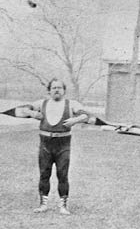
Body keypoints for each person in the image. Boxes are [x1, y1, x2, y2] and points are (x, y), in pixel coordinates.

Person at [16, 79, 89, 215]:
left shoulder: (71, 104)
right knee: (44, 174)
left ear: (64, 91)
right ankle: (43, 204)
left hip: (63, 144)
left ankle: (63, 205)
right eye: (54, 88)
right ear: (49, 91)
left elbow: (86, 115)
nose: (57, 90)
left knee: (62, 175)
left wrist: (75, 120)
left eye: (59, 88)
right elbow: (22, 109)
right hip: (45, 144)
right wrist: (33, 113)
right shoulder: (41, 103)